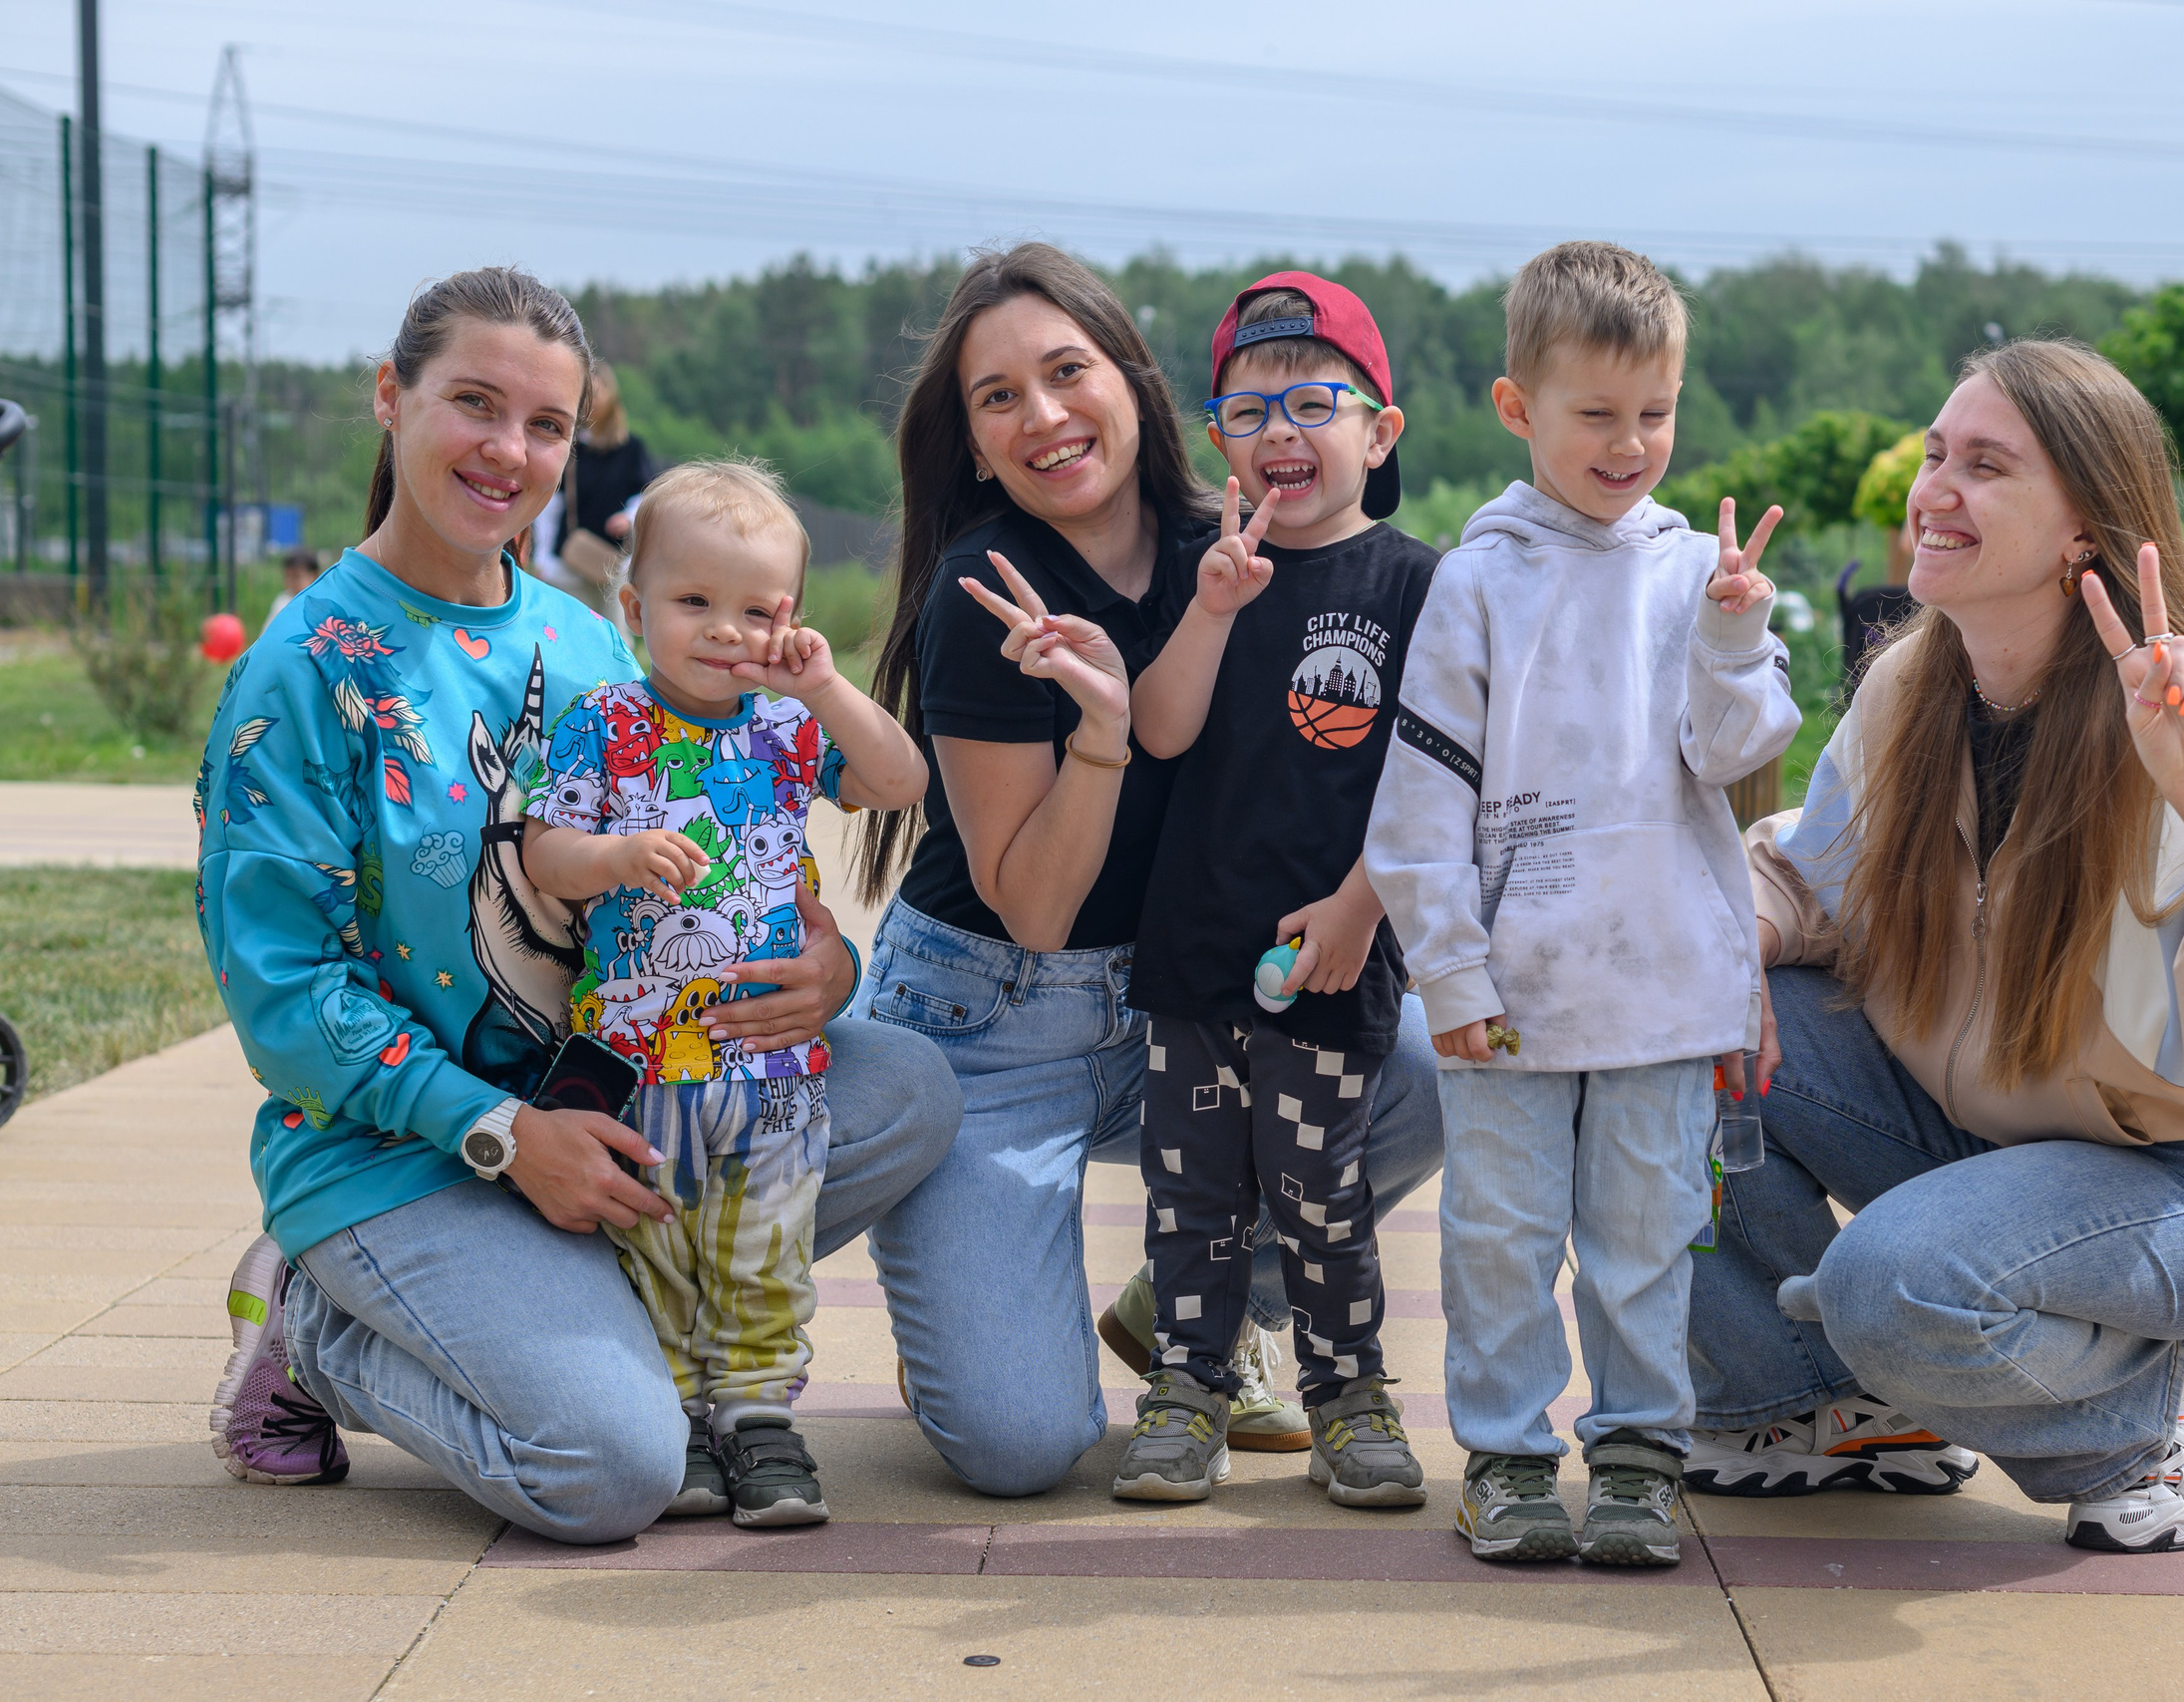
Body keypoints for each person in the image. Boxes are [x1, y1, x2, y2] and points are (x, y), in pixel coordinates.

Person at [195, 268, 960, 1544]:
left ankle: (599, 1317)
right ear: (392, 400)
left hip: (616, 1091)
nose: (511, 451)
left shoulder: (601, 643)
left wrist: (825, 971)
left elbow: (750, 842)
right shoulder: (304, 669)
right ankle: (318, 1331)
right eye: (474, 404)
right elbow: (284, 999)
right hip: (409, 1155)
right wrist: (501, 1135)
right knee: (608, 1472)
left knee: (905, 1090)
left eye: (547, 425)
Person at [1703, 337, 2184, 1553]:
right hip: (1970, 1134)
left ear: (2085, 528)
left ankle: (2137, 1418)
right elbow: (1812, 877)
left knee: (1890, 1285)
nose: (1935, 489)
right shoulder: (1907, 692)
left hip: (2183, 1180)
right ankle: (1824, 1410)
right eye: (1934, 456)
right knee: (1668, 1042)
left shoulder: (2179, 722)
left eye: (1985, 466)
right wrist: (1738, 944)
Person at [849, 242, 1444, 1497]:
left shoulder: (1231, 542)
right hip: (995, 1022)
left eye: (1067, 372)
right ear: (968, 440)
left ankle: (1211, 1309)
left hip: (1196, 988)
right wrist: (1104, 733)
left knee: (1423, 1070)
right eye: (996, 397)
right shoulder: (985, 593)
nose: (1044, 417)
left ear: (1135, 380)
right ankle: (979, 1320)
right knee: (1020, 1447)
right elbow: (1039, 905)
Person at [1366, 240, 1800, 1567]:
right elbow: (1419, 805)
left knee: (1645, 1234)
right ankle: (1503, 1454)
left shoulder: (1690, 575)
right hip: (1509, 991)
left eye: (1654, 414)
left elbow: (1735, 753)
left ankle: (1635, 1453)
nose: (1629, 444)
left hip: (1665, 987)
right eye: (1595, 414)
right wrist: (1450, 969)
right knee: (1497, 1233)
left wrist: (1734, 635)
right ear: (1520, 409)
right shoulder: (1477, 578)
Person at [520, 459, 929, 1529]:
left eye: (753, 609)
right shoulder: (604, 723)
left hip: (771, 1066)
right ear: (633, 605)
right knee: (650, 1246)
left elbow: (899, 783)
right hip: (639, 1063)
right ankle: (676, 1424)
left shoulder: (790, 727)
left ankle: (758, 1419)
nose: (720, 629)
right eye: (693, 602)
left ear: (787, 618)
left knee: (764, 1247)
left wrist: (827, 686)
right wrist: (612, 856)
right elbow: (543, 855)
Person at [1110, 275, 1432, 1508]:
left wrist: (1365, 901)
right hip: (1194, 955)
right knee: (1188, 1196)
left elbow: (1436, 776)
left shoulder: (1416, 584)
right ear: (1217, 439)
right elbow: (1160, 731)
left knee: (1322, 1197)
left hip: (1334, 954)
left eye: (1315, 403)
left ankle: (1347, 1392)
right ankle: (1185, 1388)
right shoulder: (1206, 571)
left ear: (1379, 431)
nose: (1283, 434)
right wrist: (1207, 610)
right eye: (1249, 412)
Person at [531, 360, 655, 595]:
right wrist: (543, 556)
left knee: (615, 630)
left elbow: (644, 494)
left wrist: (628, 517)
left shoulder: (630, 449)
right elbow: (552, 505)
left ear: (611, 395)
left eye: (597, 393)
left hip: (614, 561)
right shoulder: (571, 447)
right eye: (585, 395)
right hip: (569, 559)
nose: (592, 401)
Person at [265, 546, 323, 630]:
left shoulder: (322, 602)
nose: (291, 582)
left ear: (314, 575)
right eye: (288, 577)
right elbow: (267, 634)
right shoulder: (283, 602)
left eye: (296, 577)